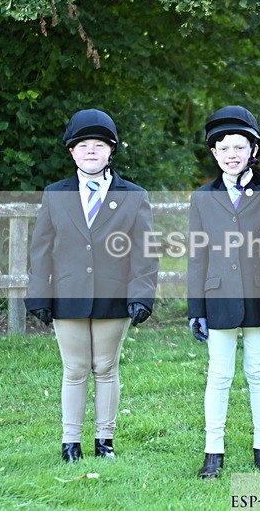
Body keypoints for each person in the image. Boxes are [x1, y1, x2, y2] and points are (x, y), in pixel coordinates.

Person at [24, 109, 158, 463]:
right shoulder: (55, 194)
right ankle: (71, 442)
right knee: (75, 368)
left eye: (99, 145)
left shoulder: (134, 195)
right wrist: (38, 293)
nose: (91, 152)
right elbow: (40, 249)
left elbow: (145, 251)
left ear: (110, 151)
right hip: (67, 294)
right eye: (83, 146)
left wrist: (142, 294)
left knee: (105, 367)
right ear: (72, 152)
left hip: (114, 295)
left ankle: (105, 440)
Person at [187, 106, 260, 480]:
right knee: (219, 374)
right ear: (214, 154)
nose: (232, 155)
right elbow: (197, 257)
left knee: (259, 371)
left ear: (253, 152)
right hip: (217, 298)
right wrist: (195, 308)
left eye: (239, 148)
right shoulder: (202, 198)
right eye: (224, 148)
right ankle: (213, 451)